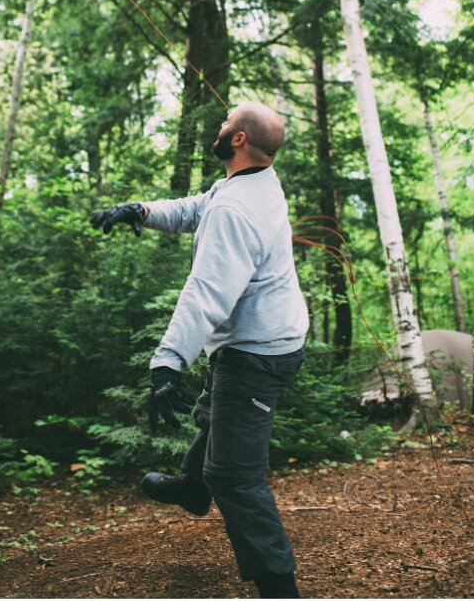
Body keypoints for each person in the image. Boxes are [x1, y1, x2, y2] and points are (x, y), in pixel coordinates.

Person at [90, 101, 309, 600]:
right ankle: (192, 488)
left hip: (257, 353)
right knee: (217, 412)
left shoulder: (236, 209)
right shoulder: (249, 183)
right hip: (263, 340)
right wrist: (140, 212)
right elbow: (196, 207)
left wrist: (168, 361)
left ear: (237, 140)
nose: (218, 125)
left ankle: (280, 589)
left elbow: (207, 291)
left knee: (233, 476)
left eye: (225, 122)